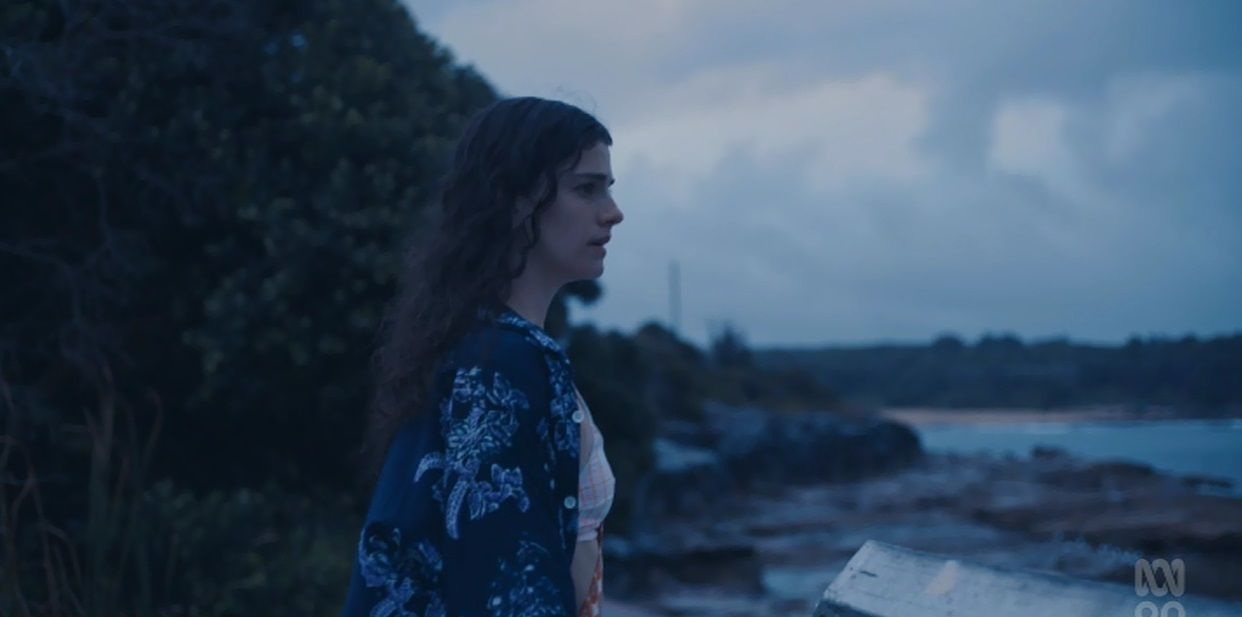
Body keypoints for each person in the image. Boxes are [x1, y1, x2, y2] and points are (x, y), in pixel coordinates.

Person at [340, 96, 623, 617]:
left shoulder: (484, 344)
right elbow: (507, 581)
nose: (613, 212)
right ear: (516, 200)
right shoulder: (501, 362)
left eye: (608, 188)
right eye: (587, 189)